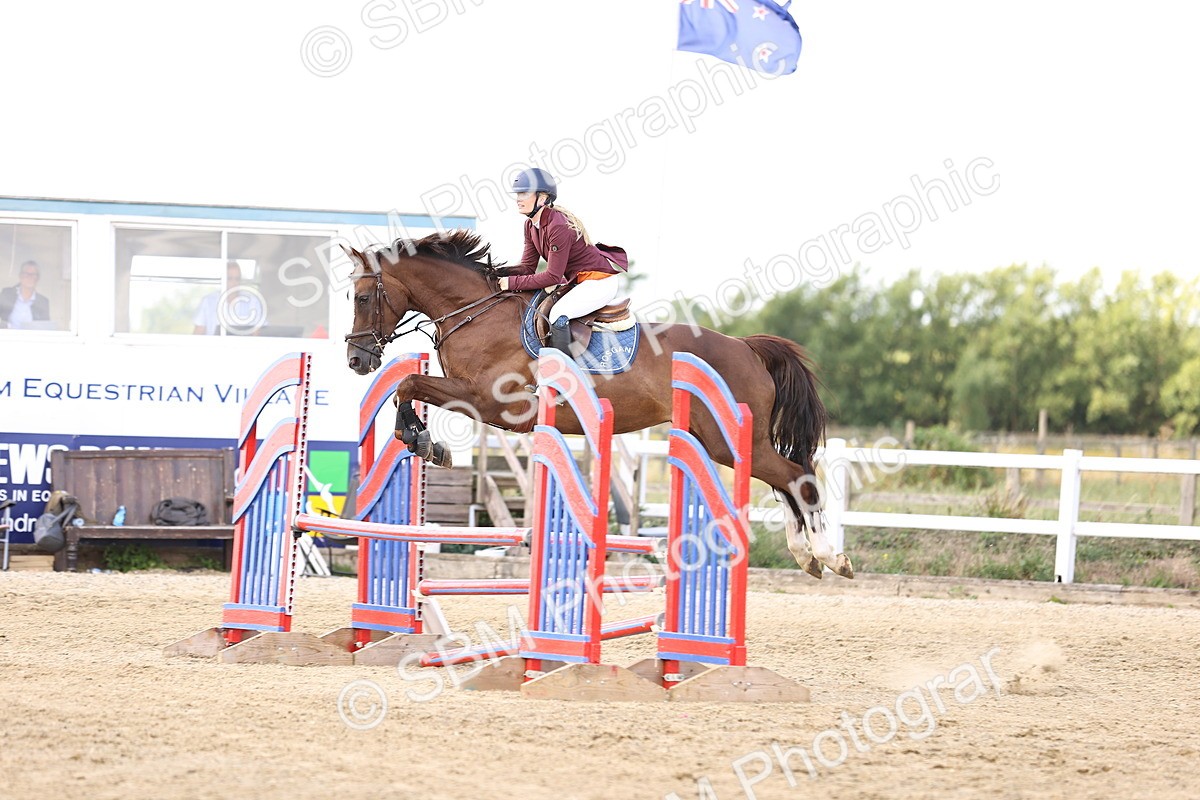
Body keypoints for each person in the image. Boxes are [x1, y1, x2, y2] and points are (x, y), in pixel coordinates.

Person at [498, 168, 629, 353]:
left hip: (599, 282)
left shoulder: (557, 225)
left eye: (524, 193)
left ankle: (564, 376)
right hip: (579, 283)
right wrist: (497, 273)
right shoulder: (530, 225)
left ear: (542, 198)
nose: (518, 198)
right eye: (518, 193)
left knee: (558, 314)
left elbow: (552, 276)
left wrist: (510, 283)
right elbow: (527, 267)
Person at [193, 261, 265, 335]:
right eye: (230, 278)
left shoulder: (253, 302)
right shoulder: (208, 302)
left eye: (237, 279)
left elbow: (259, 333)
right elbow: (198, 333)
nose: (234, 282)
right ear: (222, 279)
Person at [0, 260, 51, 329]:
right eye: (26, 274)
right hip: (9, 338)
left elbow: (45, 328)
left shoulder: (43, 302)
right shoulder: (7, 294)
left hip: (32, 338)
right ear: (20, 276)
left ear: (37, 279)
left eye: (33, 275)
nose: (29, 277)